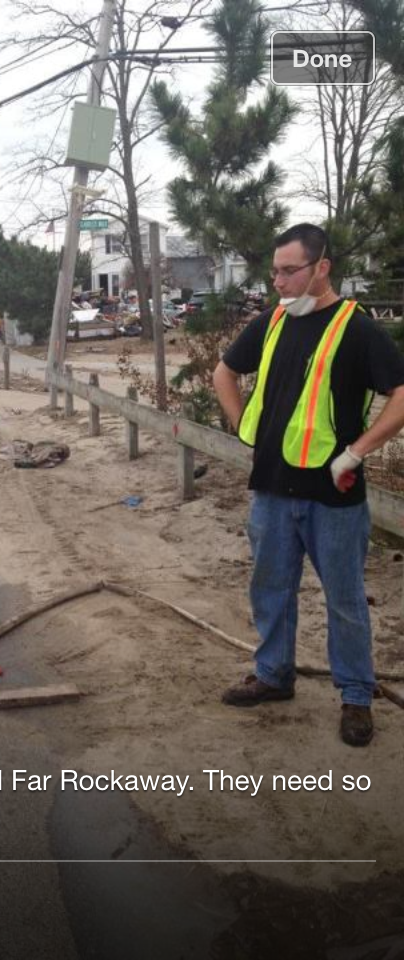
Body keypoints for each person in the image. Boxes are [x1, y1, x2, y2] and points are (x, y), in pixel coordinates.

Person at [213, 223, 404, 747]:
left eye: (290, 270)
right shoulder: (273, 321)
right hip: (272, 489)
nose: (278, 280)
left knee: (343, 598)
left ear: (322, 268)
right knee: (270, 588)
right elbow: (223, 373)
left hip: (333, 498)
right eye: (275, 270)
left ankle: (356, 696)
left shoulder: (356, 328)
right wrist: (241, 426)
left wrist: (356, 452)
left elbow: (401, 395)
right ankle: (274, 675)